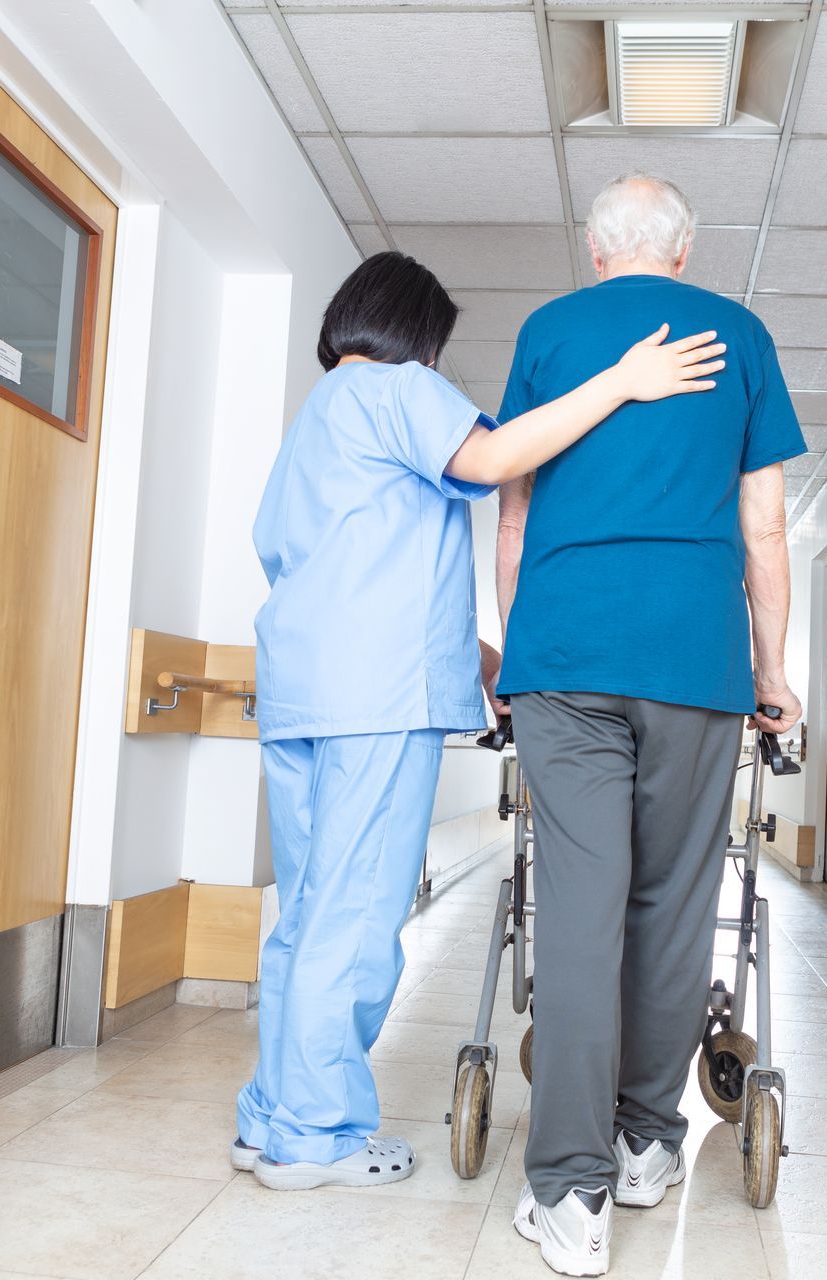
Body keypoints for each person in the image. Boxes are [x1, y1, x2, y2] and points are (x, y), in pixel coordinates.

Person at [236, 249, 727, 1192]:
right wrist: (623, 380)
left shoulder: (315, 421)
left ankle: (269, 1116)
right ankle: (316, 1135)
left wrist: (487, 661)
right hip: (375, 702)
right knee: (356, 917)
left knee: (303, 918)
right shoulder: (398, 387)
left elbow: (354, 569)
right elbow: (498, 459)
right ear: (415, 331)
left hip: (304, 689)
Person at [494, 174, 805, 1276]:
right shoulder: (741, 333)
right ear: (684, 252)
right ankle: (645, 1143)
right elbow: (764, 526)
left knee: (576, 909)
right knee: (674, 905)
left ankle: (568, 1195)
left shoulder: (547, 329)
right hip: (693, 656)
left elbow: (516, 503)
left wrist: (514, 643)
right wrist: (772, 669)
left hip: (567, 655)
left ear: (593, 249)